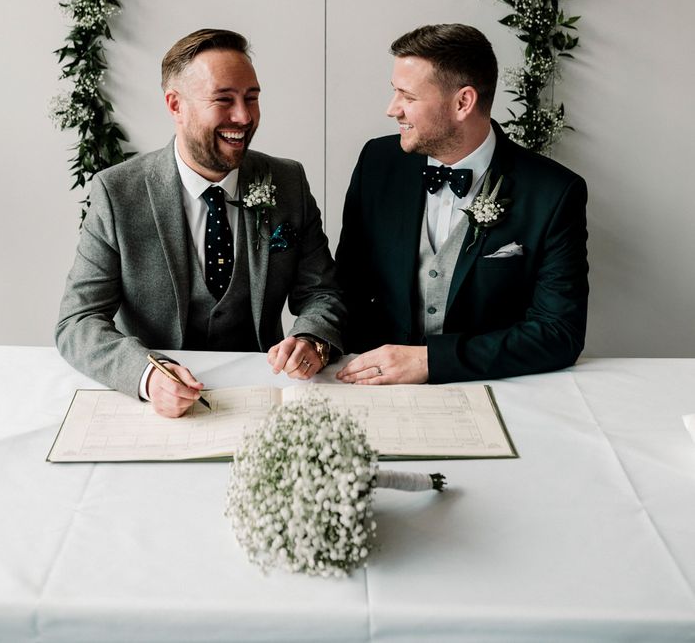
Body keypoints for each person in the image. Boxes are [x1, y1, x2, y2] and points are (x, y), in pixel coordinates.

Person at [56, 28, 345, 416]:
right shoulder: (117, 192)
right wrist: (147, 375)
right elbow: (78, 320)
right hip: (159, 404)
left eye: (251, 98)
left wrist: (312, 338)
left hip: (264, 393)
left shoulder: (287, 181)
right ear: (175, 105)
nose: (243, 117)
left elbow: (322, 292)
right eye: (224, 100)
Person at [336, 23, 588, 386]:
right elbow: (346, 287)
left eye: (408, 97)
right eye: (395, 92)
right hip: (372, 387)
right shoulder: (377, 163)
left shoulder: (554, 192)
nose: (393, 109)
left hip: (495, 390)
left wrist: (432, 361)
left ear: (462, 102)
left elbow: (558, 333)